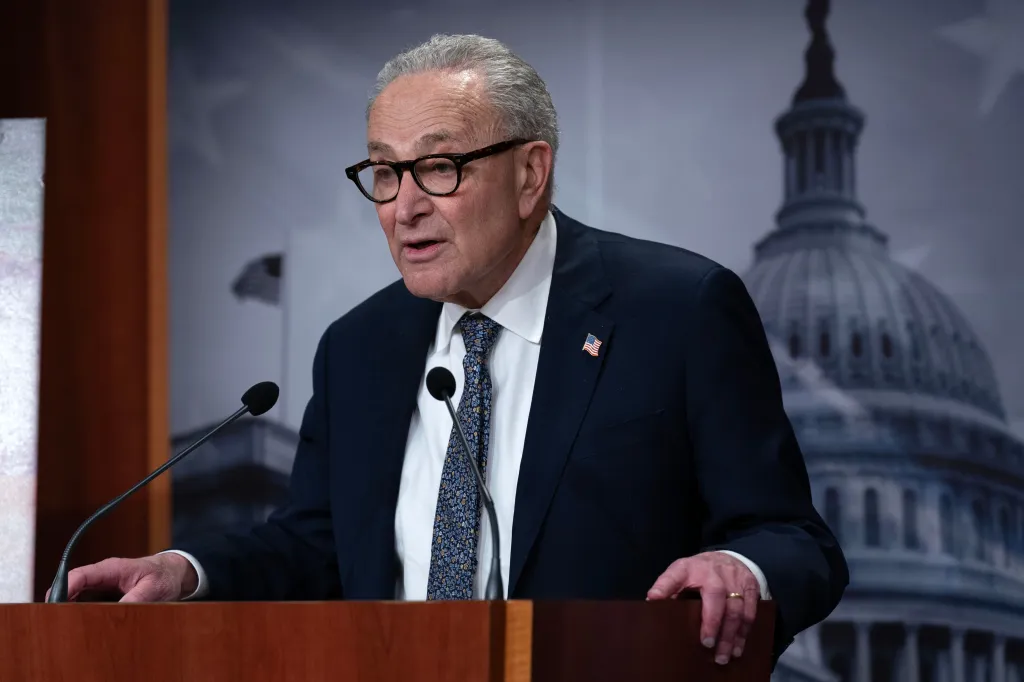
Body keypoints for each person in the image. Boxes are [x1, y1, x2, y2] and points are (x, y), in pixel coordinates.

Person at [58, 34, 847, 667]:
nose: (404, 207)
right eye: (384, 172)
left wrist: (739, 571)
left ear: (531, 174)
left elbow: (794, 540)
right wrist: (187, 573)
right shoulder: (358, 347)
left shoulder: (678, 310)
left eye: (438, 168)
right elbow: (315, 545)